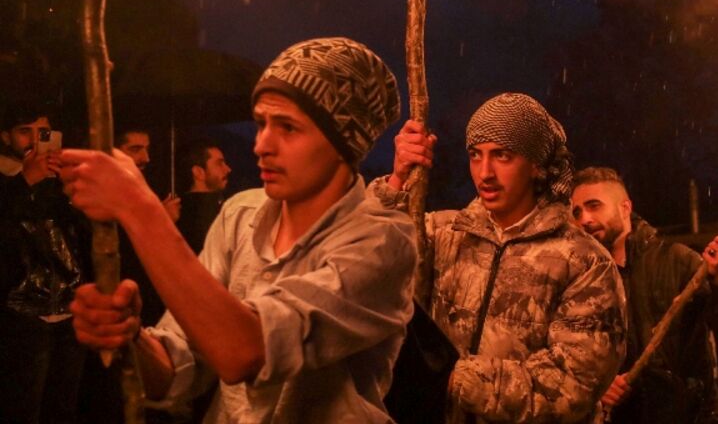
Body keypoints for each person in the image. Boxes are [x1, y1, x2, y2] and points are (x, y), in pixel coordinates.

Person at [65, 37, 416, 421]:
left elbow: (245, 352)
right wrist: (131, 339)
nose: (261, 145)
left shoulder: (381, 241)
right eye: (261, 123)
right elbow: (180, 362)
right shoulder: (240, 214)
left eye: (288, 127)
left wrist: (138, 206)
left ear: (341, 144)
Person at [376, 93, 626, 424]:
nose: (485, 173)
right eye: (475, 155)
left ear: (536, 166)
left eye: (502, 156)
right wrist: (397, 180)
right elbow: (363, 259)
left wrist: (451, 376)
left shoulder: (584, 263)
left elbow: (570, 388)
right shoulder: (444, 233)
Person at [569, 166, 718, 423]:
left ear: (625, 208)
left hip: (689, 416)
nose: (584, 219)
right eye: (577, 212)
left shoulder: (677, 260)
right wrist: (598, 387)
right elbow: (575, 355)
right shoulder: (582, 280)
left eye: (594, 206)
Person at [0, 102, 89, 424]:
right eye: (25, 132)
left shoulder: (59, 183)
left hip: (68, 310)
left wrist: (67, 187)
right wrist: (25, 182)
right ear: (6, 136)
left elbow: (87, 235)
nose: (34, 141)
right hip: (20, 315)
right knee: (22, 408)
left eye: (43, 133)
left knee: (62, 408)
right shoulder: (7, 182)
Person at [176, 138, 231, 253]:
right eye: (219, 163)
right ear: (198, 172)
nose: (228, 169)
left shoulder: (183, 207)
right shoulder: (201, 212)